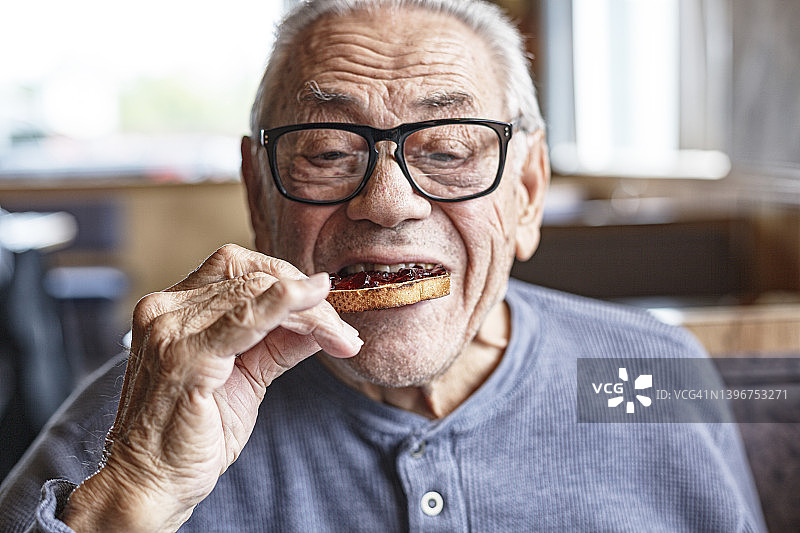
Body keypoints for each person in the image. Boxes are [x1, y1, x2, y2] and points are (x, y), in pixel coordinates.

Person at [0, 0, 767, 531]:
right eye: (330, 152)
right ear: (258, 192)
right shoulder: (149, 407)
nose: (388, 202)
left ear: (527, 192)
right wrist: (136, 495)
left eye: (450, 149)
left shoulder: (648, 375)